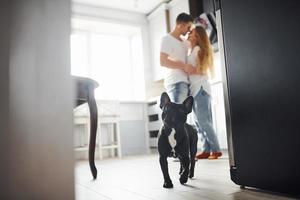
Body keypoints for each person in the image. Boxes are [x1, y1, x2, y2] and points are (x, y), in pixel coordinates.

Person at [187, 26, 222, 160]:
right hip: (195, 90)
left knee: (203, 121)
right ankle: (206, 149)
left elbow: (202, 70)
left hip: (201, 89)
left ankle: (216, 150)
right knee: (197, 122)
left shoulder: (200, 50)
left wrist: (188, 69)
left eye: (192, 33)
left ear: (198, 36)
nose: (190, 35)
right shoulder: (193, 50)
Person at [160, 13, 195, 103]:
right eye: (188, 27)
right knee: (178, 116)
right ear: (181, 25)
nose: (189, 31)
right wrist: (184, 66)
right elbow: (163, 61)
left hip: (186, 83)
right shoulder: (167, 39)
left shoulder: (185, 43)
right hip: (175, 82)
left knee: (183, 116)